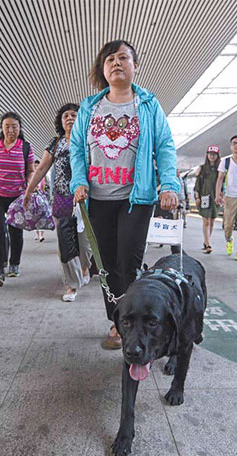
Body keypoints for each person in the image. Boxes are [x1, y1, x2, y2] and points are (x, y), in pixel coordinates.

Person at [70, 40, 179, 349]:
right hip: (97, 198)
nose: (116, 63)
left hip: (136, 197)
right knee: (106, 265)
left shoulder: (147, 104)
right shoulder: (90, 107)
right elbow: (77, 149)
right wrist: (79, 180)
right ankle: (117, 321)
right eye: (109, 60)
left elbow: (165, 146)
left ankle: (136, 324)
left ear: (135, 66)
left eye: (123, 58)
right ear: (102, 69)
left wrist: (169, 185)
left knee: (128, 263)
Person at [24, 103, 92, 302]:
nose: (70, 118)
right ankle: (71, 285)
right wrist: (29, 191)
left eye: (74, 115)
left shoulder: (89, 140)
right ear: (60, 121)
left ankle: (85, 267)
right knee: (65, 242)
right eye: (66, 116)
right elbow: (42, 168)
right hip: (62, 199)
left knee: (85, 243)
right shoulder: (55, 143)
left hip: (86, 198)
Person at [0, 112, 35, 287]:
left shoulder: (25, 147)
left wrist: (30, 186)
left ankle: (14, 263)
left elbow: (30, 170)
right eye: (7, 126)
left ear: (20, 128)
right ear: (2, 128)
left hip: (17, 195)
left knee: (15, 231)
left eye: (14, 126)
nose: (11, 130)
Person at [194, 145, 220, 253]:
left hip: (216, 197)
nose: (212, 156)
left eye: (214, 154)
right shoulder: (202, 168)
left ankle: (206, 241)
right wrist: (196, 196)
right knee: (206, 221)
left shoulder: (220, 169)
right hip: (204, 197)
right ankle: (208, 244)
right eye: (210, 154)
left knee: (212, 221)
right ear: (207, 155)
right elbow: (198, 184)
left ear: (217, 156)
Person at [33, 158, 47, 242]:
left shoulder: (43, 176)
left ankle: (41, 235)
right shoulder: (31, 176)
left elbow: (46, 186)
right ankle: (37, 234)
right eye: (35, 165)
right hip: (33, 197)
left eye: (37, 165)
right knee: (34, 216)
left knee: (41, 215)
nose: (36, 167)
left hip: (41, 197)